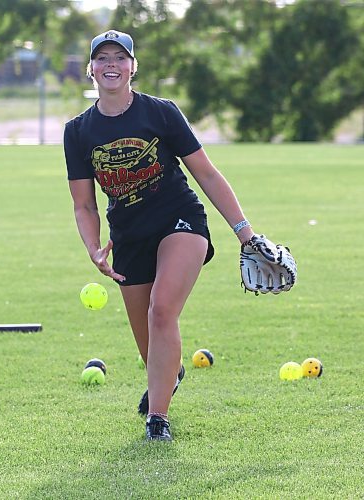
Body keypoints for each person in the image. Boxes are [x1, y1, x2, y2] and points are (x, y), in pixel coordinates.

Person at [64, 29, 254, 441]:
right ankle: (172, 371)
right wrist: (93, 248)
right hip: (129, 235)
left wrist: (245, 233)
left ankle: (158, 418)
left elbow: (205, 172)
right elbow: (84, 204)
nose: (111, 64)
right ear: (90, 69)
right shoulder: (77, 131)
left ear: (133, 67)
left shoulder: (161, 112)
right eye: (102, 58)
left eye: (120, 57)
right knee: (149, 343)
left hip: (179, 220)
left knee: (161, 310)